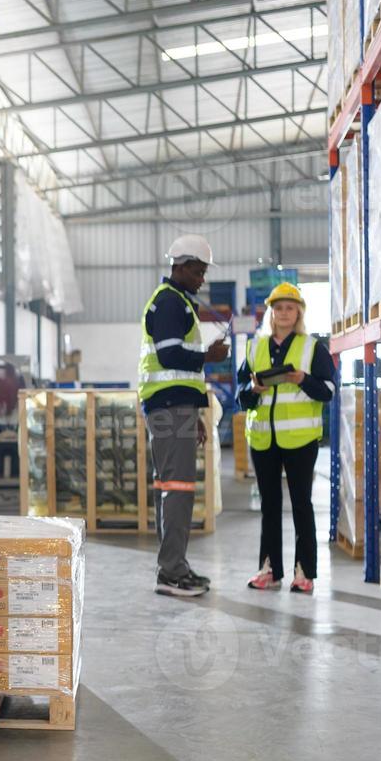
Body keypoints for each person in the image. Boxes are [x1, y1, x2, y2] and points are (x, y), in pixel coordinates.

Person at [138, 234, 231, 598]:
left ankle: (173, 567)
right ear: (179, 266)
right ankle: (172, 572)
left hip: (174, 405)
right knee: (177, 489)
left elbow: (180, 368)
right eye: (198, 271)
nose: (202, 279)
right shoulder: (169, 303)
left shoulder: (177, 302)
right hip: (169, 405)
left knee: (170, 488)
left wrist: (198, 416)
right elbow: (171, 356)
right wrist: (209, 355)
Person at [236, 283, 335, 593]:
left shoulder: (312, 348)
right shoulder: (255, 348)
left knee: (301, 504)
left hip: (301, 441)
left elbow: (329, 391)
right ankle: (269, 570)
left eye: (289, 308)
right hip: (263, 440)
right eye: (278, 308)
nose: (283, 313)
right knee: (269, 505)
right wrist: (253, 390)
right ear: (271, 312)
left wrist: (302, 379)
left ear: (299, 312)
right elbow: (242, 397)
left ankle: (304, 573)